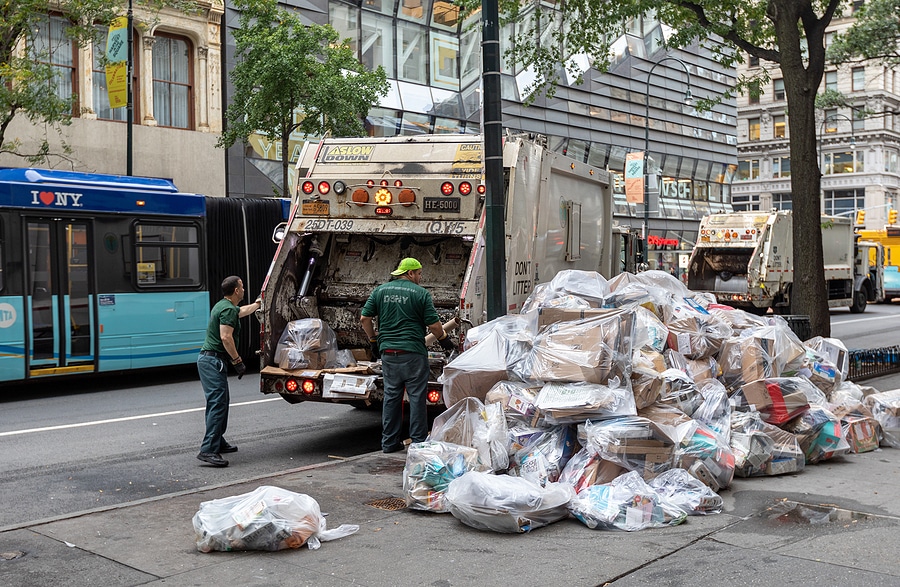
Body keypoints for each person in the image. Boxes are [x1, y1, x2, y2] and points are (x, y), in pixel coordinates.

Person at [360, 258, 455, 453]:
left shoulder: (380, 291)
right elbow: (435, 326)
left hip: (388, 353)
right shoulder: (421, 294)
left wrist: (373, 340)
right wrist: (445, 341)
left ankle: (389, 443)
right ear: (410, 273)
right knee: (417, 398)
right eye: (419, 273)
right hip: (413, 354)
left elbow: (364, 318)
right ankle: (419, 444)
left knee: (391, 397)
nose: (420, 277)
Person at [196, 276, 261, 467]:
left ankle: (217, 440)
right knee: (218, 404)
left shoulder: (225, 306)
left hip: (211, 361)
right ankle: (208, 450)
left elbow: (240, 311)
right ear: (236, 291)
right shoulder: (226, 309)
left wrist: (257, 304)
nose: (244, 289)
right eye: (241, 286)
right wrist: (238, 361)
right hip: (213, 361)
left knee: (220, 403)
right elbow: (226, 337)